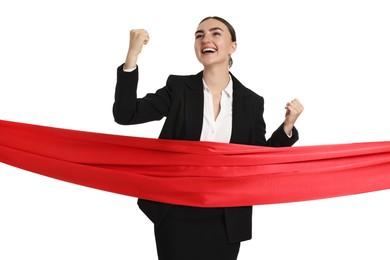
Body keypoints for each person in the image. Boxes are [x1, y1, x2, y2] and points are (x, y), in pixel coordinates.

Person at [113, 16, 304, 260]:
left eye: (216, 33)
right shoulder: (178, 88)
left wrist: (287, 127)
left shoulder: (252, 102)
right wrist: (132, 57)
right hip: (175, 212)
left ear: (233, 46)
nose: (206, 39)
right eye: (199, 35)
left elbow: (260, 160)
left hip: (226, 218)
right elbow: (126, 114)